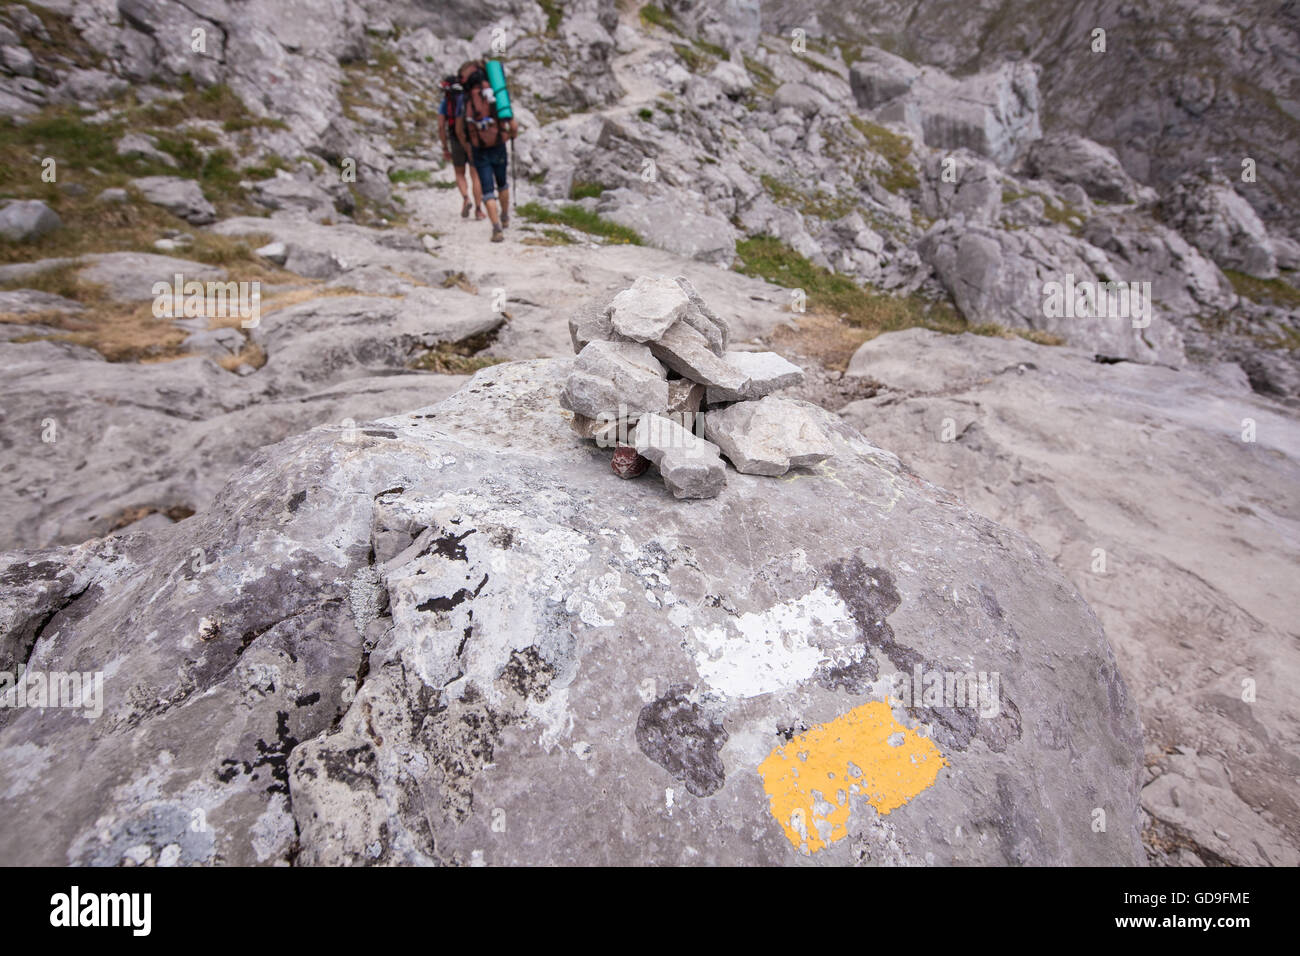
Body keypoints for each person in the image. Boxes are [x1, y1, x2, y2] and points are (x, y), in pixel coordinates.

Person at [454, 59, 517, 243]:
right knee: (502, 183)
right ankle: (505, 215)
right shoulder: (494, 95)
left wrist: (467, 146)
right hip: (498, 144)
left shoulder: (464, 100)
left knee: (488, 190)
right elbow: (512, 124)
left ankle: (496, 228)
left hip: (478, 148)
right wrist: (510, 134)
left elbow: (459, 129)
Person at [437, 73, 484, 219]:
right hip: (473, 138)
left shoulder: (446, 102)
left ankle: (465, 198)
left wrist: (445, 147)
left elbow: (440, 127)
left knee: (459, 173)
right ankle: (478, 210)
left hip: (455, 139)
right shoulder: (467, 99)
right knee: (475, 175)